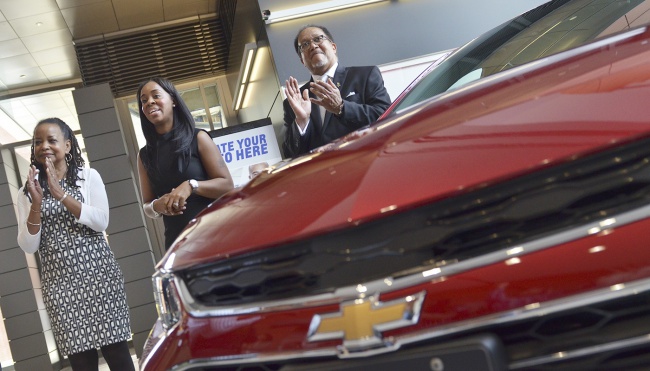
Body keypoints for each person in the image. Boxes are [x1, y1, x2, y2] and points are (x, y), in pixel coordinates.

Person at [16, 118, 134, 371]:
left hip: (99, 277)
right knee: (80, 361)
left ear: (67, 146)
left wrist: (62, 195)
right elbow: (28, 245)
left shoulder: (88, 176)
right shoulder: (27, 191)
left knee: (117, 353)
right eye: (38, 142)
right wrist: (36, 204)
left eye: (51, 140)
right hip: (59, 285)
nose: (44, 146)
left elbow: (101, 221)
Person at [137, 77, 234, 250]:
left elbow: (227, 185)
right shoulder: (144, 155)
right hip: (178, 245)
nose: (149, 102)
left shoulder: (198, 138)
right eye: (144, 101)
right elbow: (147, 205)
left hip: (214, 237)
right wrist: (156, 206)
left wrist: (191, 186)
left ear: (173, 100)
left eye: (156, 96)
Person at [282, 24, 392, 158]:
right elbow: (290, 154)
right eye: (305, 44)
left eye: (318, 39)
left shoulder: (365, 75)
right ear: (302, 60)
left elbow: (385, 116)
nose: (313, 46)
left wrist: (342, 107)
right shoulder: (294, 101)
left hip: (366, 162)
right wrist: (301, 121)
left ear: (333, 47)